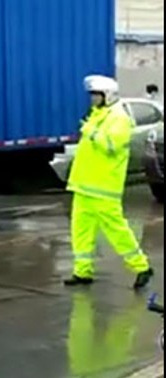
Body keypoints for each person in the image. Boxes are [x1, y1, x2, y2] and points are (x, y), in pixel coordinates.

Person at [64, 75, 153, 288]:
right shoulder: (96, 115)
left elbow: (112, 145)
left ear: (108, 95)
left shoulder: (118, 117)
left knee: (117, 231)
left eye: (96, 95)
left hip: (103, 188)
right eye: (92, 95)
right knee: (81, 231)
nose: (93, 99)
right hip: (84, 185)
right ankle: (82, 272)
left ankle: (142, 267)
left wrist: (91, 132)